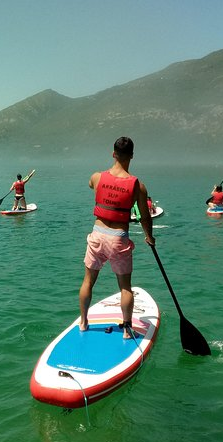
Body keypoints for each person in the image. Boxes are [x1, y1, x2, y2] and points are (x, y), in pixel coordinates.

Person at [79, 137, 155, 339]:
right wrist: (149, 237)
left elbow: (90, 184)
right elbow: (146, 217)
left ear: (113, 154)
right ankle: (127, 330)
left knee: (88, 281)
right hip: (118, 238)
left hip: (97, 234)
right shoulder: (138, 185)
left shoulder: (97, 177)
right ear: (131, 156)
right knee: (125, 287)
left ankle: (84, 322)